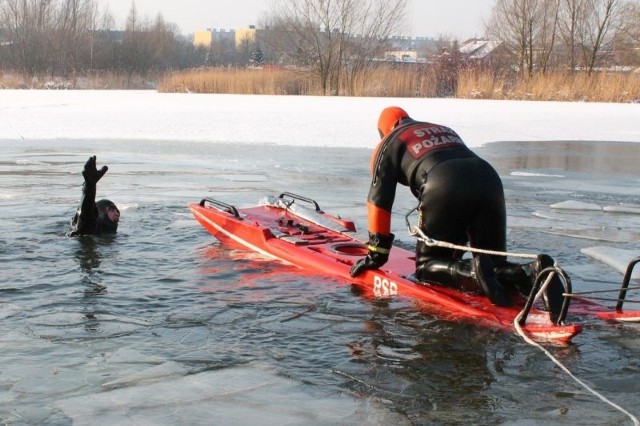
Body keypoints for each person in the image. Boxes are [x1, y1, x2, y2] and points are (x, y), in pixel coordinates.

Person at [350, 106, 566, 320]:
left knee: (427, 268)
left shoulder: (390, 141)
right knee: (495, 262)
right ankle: (530, 272)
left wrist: (376, 254)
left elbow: (378, 201)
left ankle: (472, 271)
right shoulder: (441, 129)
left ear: (383, 131)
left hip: (443, 182)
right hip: (488, 179)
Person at [69, 155, 120, 236]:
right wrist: (90, 186)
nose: (117, 213)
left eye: (117, 211)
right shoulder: (92, 226)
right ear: (100, 213)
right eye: (111, 210)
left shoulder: (109, 232)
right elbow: (87, 213)